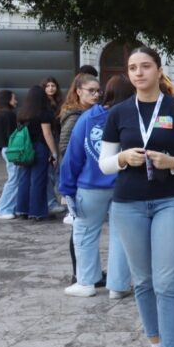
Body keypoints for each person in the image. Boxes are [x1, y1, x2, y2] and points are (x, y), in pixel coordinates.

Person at [99, 47, 174, 347]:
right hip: (128, 203)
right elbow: (103, 163)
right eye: (133, 67)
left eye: (146, 66)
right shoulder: (119, 112)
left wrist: (172, 162)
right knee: (142, 281)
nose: (139, 73)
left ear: (159, 70)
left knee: (167, 281)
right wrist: (123, 158)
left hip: (169, 201)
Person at [60, 75, 134, 299]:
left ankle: (86, 282)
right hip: (123, 186)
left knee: (84, 234)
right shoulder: (134, 117)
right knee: (122, 236)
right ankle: (118, 286)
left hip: (90, 186)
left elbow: (73, 155)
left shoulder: (88, 117)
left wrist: (66, 188)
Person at [58, 74, 101, 226]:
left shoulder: (92, 112)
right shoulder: (75, 116)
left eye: (98, 91)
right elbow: (64, 147)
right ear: (79, 91)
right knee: (79, 226)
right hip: (77, 175)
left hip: (84, 174)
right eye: (91, 91)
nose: (96, 95)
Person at [15, 85, 59, 220]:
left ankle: (22, 210)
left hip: (24, 148)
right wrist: (54, 153)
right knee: (38, 180)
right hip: (39, 147)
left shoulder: (22, 112)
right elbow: (47, 134)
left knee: (24, 179)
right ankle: (37, 212)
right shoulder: (44, 112)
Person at [0, 90, 21, 219]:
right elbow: (13, 135)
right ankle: (4, 208)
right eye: (13, 98)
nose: (16, 101)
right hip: (12, 150)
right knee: (13, 180)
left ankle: (8, 207)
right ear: (8, 100)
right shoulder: (9, 115)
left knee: (14, 179)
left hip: (6, 149)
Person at [43, 77, 65, 213]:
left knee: (58, 169)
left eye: (53, 85)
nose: (50, 88)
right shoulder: (42, 104)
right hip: (48, 137)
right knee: (51, 169)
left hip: (58, 136)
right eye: (48, 86)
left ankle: (57, 197)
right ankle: (51, 201)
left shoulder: (59, 102)